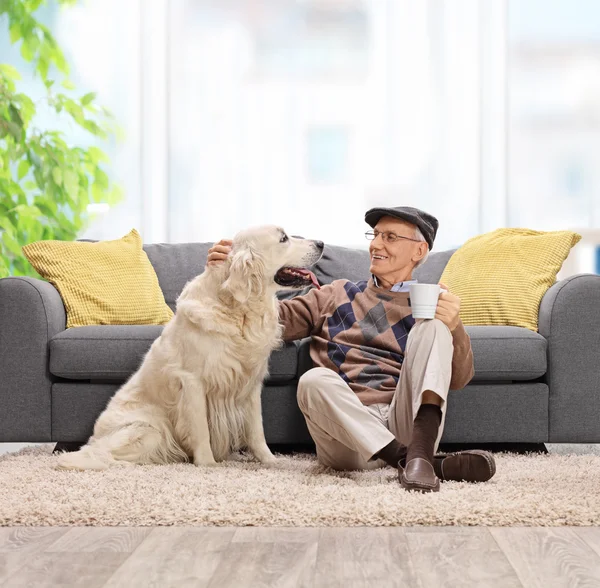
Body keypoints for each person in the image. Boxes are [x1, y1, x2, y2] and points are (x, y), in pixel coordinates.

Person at [206, 206, 495, 492]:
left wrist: (454, 327)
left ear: (419, 251)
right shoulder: (336, 294)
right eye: (376, 235)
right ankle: (416, 461)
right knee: (313, 380)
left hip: (406, 423)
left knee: (432, 326)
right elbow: (260, 319)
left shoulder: (432, 302)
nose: (376, 245)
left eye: (390, 237)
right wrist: (227, 275)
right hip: (347, 436)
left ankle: (418, 454)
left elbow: (457, 380)